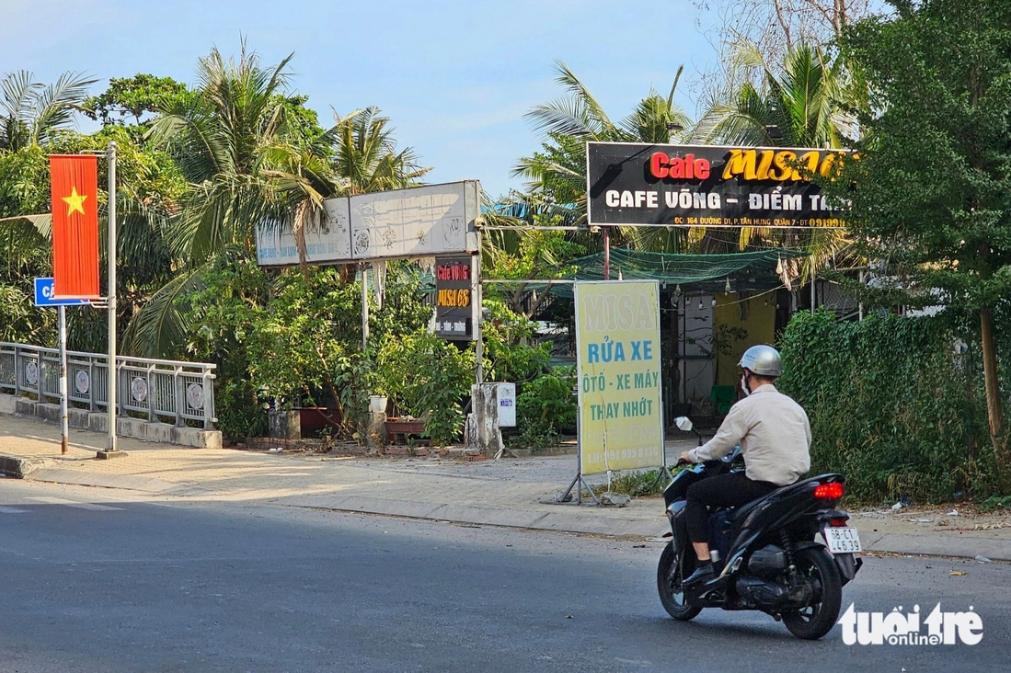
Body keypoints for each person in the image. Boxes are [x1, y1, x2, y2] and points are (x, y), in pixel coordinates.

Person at [678, 344, 811, 590]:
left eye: (743, 374)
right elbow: (806, 441)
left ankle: (704, 564)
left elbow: (718, 446)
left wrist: (692, 455)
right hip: (793, 486)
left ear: (748, 373)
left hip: (759, 486)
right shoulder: (794, 407)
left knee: (695, 493)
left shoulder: (746, 407)